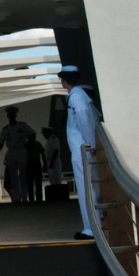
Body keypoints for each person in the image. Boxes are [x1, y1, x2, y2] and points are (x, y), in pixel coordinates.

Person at [59, 65, 100, 239]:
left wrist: (90, 144)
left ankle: (91, 228)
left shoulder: (75, 95)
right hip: (85, 147)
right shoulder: (80, 95)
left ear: (63, 79)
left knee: (85, 189)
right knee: (91, 187)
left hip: (82, 148)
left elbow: (83, 118)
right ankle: (97, 223)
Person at [0, 105, 35, 203]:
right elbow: (1, 143)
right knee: (13, 175)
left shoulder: (22, 125)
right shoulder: (5, 129)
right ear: (7, 116)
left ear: (15, 115)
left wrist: (30, 145)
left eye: (12, 114)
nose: (11, 116)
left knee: (22, 174)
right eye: (9, 114)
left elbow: (33, 133)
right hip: (11, 150)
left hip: (21, 150)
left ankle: (24, 196)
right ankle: (16, 197)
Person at [25, 133, 46, 202]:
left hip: (36, 163)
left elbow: (43, 154)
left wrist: (45, 164)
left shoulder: (37, 144)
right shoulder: (26, 145)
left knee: (38, 182)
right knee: (30, 183)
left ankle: (39, 198)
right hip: (29, 164)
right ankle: (31, 198)